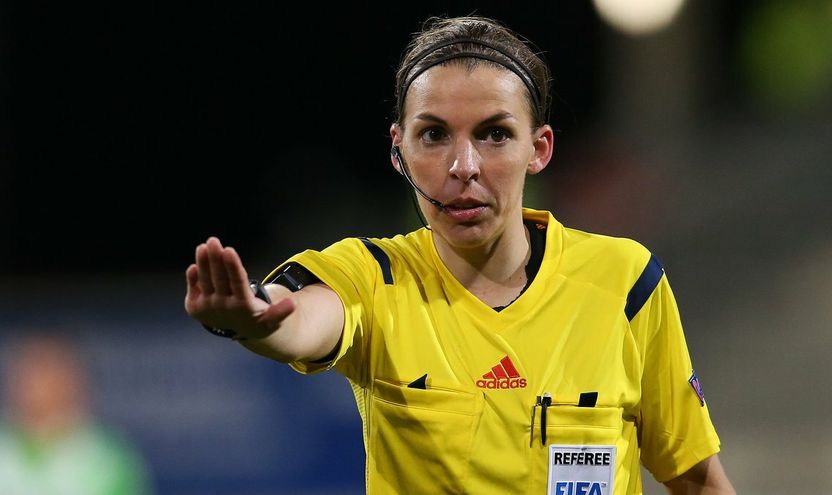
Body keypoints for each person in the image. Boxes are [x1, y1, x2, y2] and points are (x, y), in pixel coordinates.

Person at [184, 15, 736, 495]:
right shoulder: (373, 277)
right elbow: (302, 320)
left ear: (538, 149)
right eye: (434, 135)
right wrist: (254, 320)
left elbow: (696, 478)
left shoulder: (625, 281)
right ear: (399, 151)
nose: (463, 166)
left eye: (494, 134)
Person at [0, 332, 152, 495]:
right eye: (21, 368)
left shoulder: (107, 459)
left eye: (42, 367)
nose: (30, 381)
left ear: (72, 378)